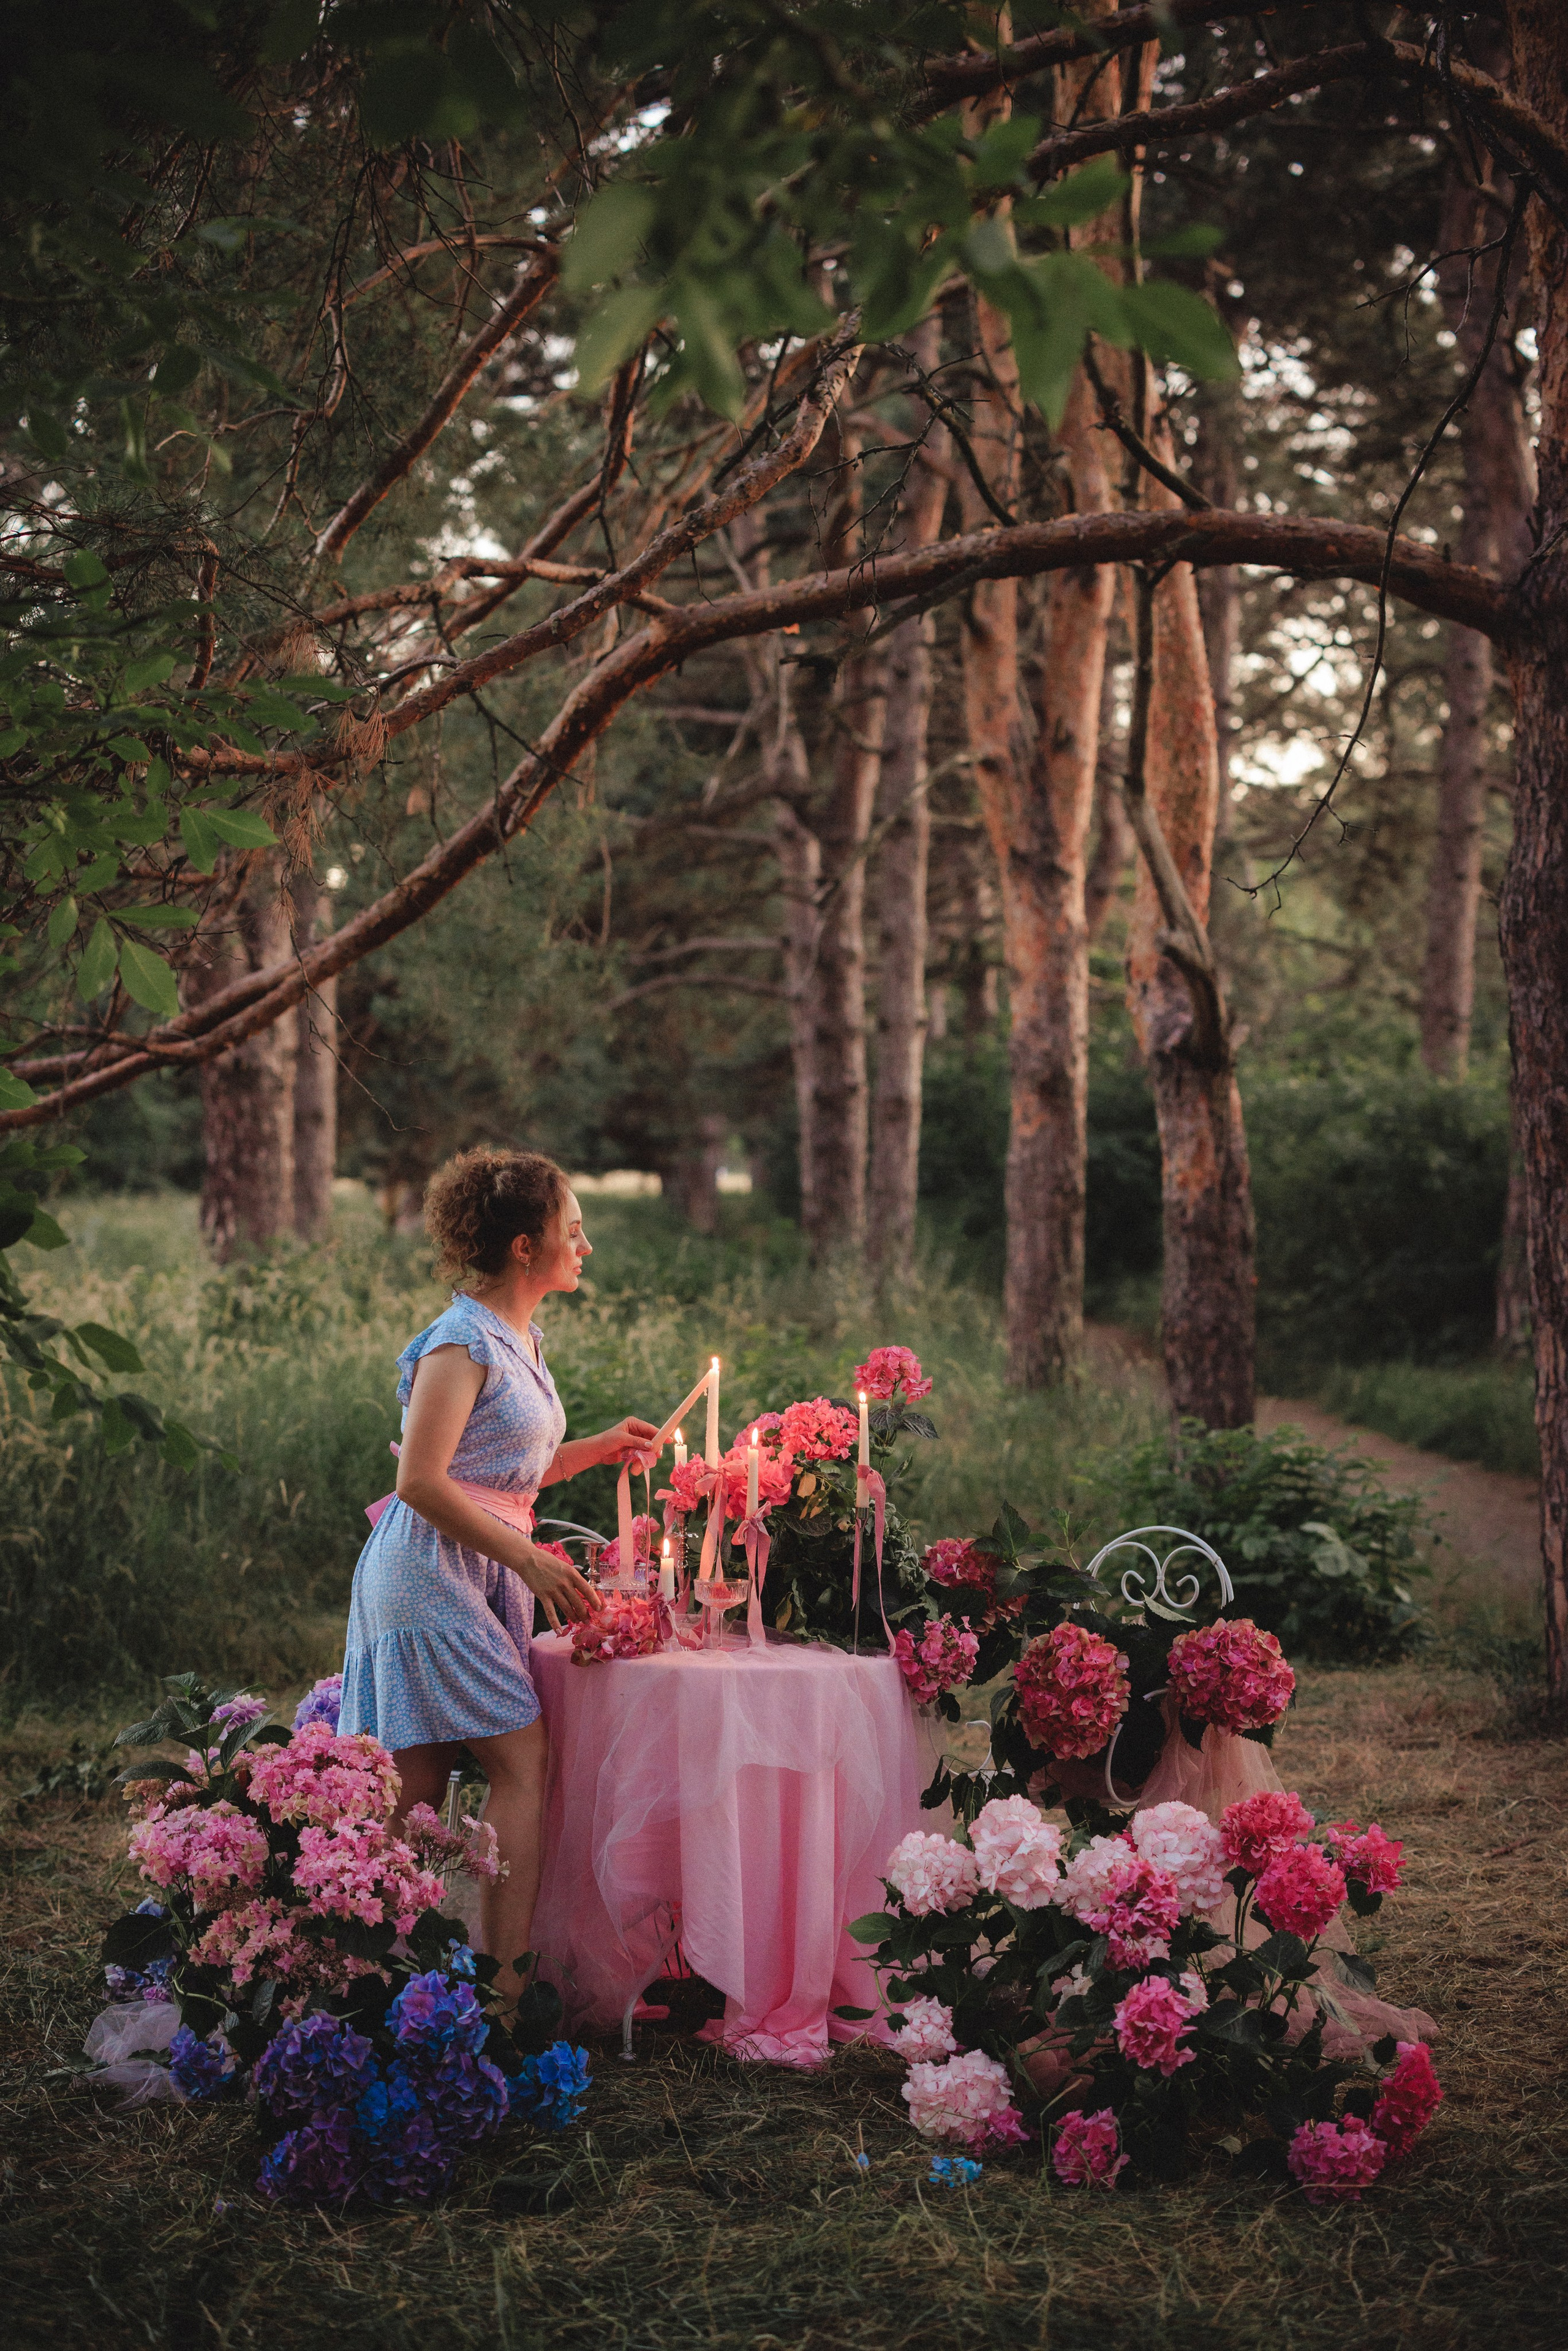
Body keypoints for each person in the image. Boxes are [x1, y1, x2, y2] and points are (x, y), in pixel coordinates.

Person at [339, 1146, 655, 2010]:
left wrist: (594, 1450)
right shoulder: (459, 1338)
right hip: (427, 1570)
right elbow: (421, 1481)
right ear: (526, 1245)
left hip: (476, 1563)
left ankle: (373, 1982)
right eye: (573, 1229)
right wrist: (527, 1556)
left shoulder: (521, 1336)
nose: (584, 1244)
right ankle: (503, 1995)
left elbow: (497, 1471)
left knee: (418, 1785)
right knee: (520, 1758)